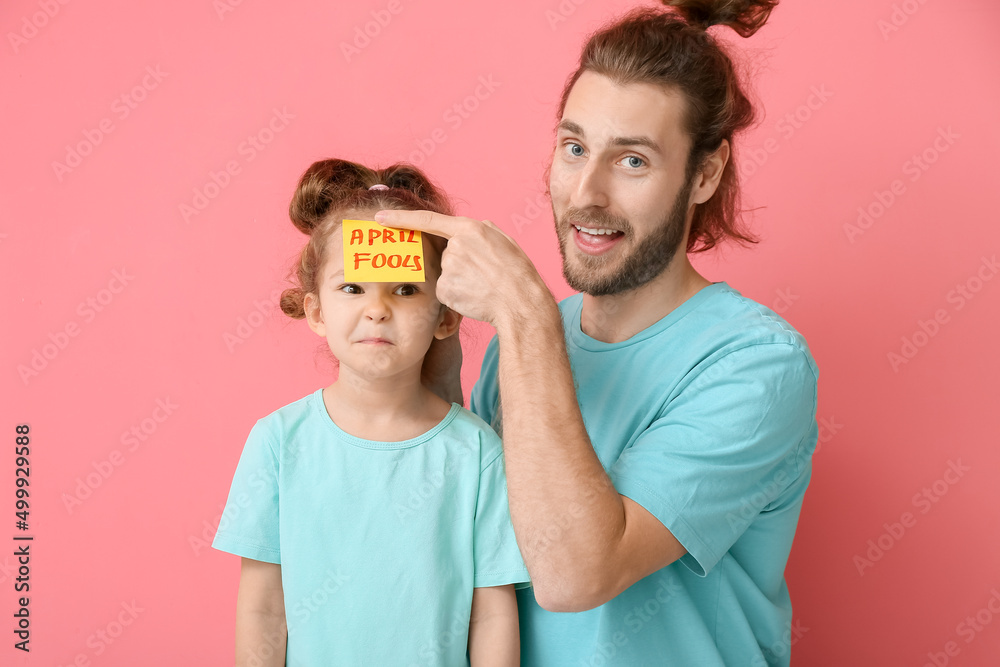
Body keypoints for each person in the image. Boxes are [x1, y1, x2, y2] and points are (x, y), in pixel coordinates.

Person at [377, 0, 819, 664]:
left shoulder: (758, 364)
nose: (587, 192)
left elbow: (576, 573)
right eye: (574, 147)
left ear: (705, 173)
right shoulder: (519, 346)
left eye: (632, 161)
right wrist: (435, 375)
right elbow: (475, 563)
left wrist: (523, 314)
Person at [212, 158, 529, 666]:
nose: (377, 309)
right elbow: (264, 607)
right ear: (316, 311)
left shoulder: (477, 454)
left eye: (405, 290)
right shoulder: (278, 441)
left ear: (445, 316)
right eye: (353, 288)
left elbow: (491, 613)